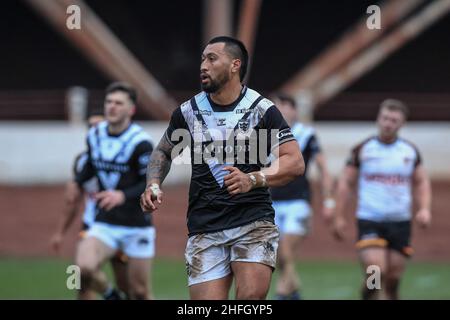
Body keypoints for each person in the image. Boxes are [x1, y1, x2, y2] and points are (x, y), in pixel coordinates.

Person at [140, 36, 305, 300]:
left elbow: (294, 161)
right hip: (204, 225)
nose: (203, 65)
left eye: (212, 58)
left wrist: (253, 179)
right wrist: (153, 184)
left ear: (234, 65)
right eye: (203, 59)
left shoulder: (261, 110)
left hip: (253, 221)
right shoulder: (188, 111)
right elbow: (163, 151)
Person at [332, 99, 432, 300]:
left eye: (394, 120)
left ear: (401, 124)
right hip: (370, 219)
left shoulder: (410, 151)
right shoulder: (363, 149)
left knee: (393, 277)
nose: (388, 123)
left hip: (400, 222)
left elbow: (421, 182)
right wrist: (338, 216)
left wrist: (424, 209)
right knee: (375, 271)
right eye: (385, 118)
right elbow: (345, 184)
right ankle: (368, 294)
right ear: (379, 118)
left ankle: (385, 293)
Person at [71, 82, 155, 300]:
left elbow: (150, 182)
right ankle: (111, 296)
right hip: (104, 222)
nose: (112, 107)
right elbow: (91, 164)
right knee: (80, 270)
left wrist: (122, 195)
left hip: (136, 225)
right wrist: (77, 182)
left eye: (119, 103)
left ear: (131, 110)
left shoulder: (141, 142)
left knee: (139, 292)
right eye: (109, 102)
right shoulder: (94, 135)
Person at [51, 114, 129, 300]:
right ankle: (110, 295)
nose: (94, 130)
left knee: (126, 283)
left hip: (120, 226)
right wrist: (60, 232)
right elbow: (73, 201)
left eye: (99, 126)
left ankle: (116, 294)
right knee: (78, 278)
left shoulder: (124, 157)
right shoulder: (81, 161)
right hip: (91, 226)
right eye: (91, 126)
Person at [269, 93, 335, 300]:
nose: (278, 110)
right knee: (279, 255)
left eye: (282, 106)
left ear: (293, 110)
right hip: (271, 202)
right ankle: (294, 292)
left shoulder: (306, 134)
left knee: (286, 250)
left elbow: (324, 169)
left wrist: (328, 200)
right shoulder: (265, 135)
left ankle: (281, 294)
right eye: (275, 106)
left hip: (298, 201)